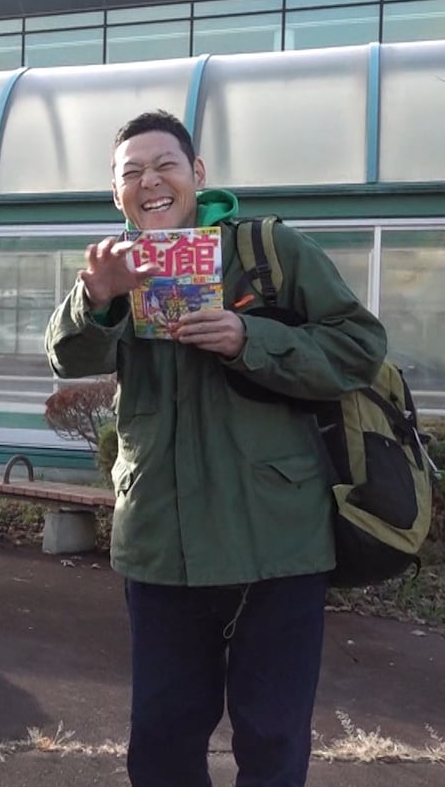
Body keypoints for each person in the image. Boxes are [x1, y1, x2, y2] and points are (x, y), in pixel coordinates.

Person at [44, 110, 387, 786]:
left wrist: (248, 338)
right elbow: (66, 356)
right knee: (163, 740)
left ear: (197, 174)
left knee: (272, 736)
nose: (150, 182)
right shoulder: (114, 264)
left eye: (165, 165)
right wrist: (97, 300)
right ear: (116, 193)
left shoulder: (269, 249)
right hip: (161, 545)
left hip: (277, 544)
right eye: (131, 173)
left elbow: (360, 345)